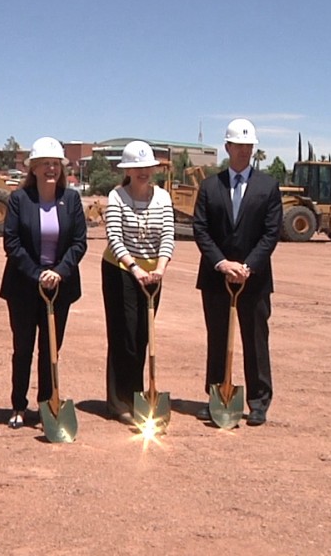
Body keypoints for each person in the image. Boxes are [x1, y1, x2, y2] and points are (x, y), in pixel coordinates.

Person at [193, 118, 282, 426]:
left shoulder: (268, 187)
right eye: (238, 146)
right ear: (227, 147)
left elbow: (271, 233)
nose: (243, 151)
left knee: (255, 339)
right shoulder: (209, 186)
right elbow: (201, 230)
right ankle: (216, 394)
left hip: (254, 280)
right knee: (217, 337)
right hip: (216, 278)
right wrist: (222, 263)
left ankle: (258, 401)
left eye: (249, 147)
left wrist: (248, 266)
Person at [0, 136, 87, 429]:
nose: (51, 169)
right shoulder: (19, 200)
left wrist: (58, 272)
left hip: (59, 286)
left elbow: (78, 243)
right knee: (22, 347)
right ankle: (18, 406)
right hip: (24, 286)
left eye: (56, 164)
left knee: (51, 348)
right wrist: (37, 274)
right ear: (33, 169)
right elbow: (11, 243)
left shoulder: (71, 200)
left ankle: (48, 402)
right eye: (45, 164)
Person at [102, 140, 175, 424]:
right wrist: (135, 269)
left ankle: (137, 395)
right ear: (128, 171)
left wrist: (159, 269)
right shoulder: (117, 196)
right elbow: (114, 237)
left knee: (144, 335)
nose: (143, 172)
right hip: (120, 269)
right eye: (137, 167)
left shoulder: (163, 197)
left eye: (147, 167)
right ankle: (118, 399)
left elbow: (168, 235)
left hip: (153, 273)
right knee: (124, 334)